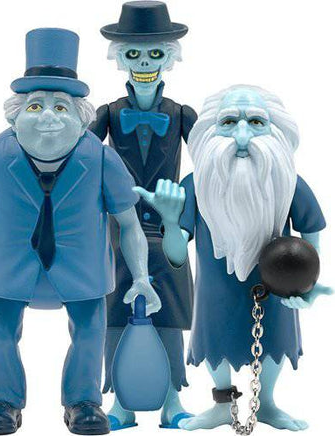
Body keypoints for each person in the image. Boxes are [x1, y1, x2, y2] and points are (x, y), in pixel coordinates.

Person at [0, 28, 161, 435]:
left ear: (82, 117)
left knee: (90, 333)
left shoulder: (102, 159)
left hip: (83, 269)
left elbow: (129, 223)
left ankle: (83, 401)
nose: (48, 116)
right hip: (8, 269)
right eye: (36, 105)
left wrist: (141, 276)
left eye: (61, 106)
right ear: (15, 115)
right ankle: (2, 402)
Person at [135, 85, 333, 431]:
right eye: (229, 122)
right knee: (215, 339)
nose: (242, 136)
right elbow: (176, 255)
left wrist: (307, 284)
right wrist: (170, 221)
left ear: (276, 131)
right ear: (211, 132)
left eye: (256, 122)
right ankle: (221, 405)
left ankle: (266, 402)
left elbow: (310, 233)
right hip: (216, 289)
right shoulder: (197, 184)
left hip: (275, 286)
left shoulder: (287, 182)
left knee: (275, 339)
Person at [89, 2, 197, 429]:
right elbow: (81, 159)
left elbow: (211, 162)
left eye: (155, 54)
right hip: (119, 228)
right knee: (115, 309)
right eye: (134, 54)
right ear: (120, 58)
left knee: (169, 311)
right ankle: (120, 403)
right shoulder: (109, 113)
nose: (145, 63)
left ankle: (173, 399)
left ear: (170, 56)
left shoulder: (182, 114)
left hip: (170, 226)